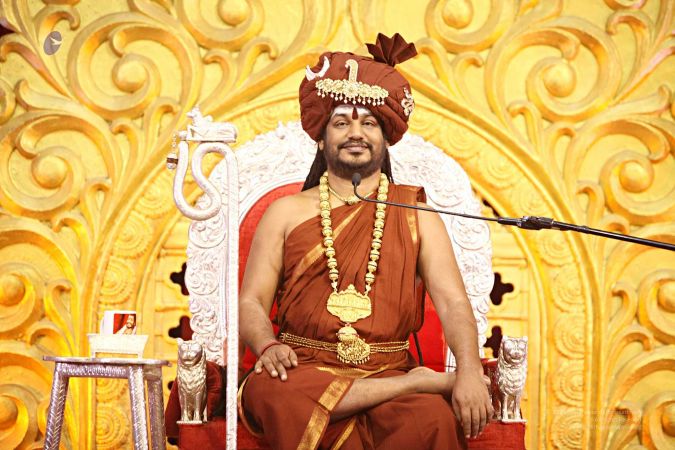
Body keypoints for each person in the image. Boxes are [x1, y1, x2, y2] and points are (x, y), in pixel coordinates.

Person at [238, 33, 492, 450]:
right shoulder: (284, 213)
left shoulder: (416, 214)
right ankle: (419, 383)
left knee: (432, 419)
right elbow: (252, 301)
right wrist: (266, 345)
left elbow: (452, 302)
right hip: (303, 367)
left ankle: (406, 388)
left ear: (385, 137)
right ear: (322, 138)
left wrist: (468, 370)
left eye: (369, 123)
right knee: (274, 391)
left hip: (386, 366)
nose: (355, 132)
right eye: (341, 123)